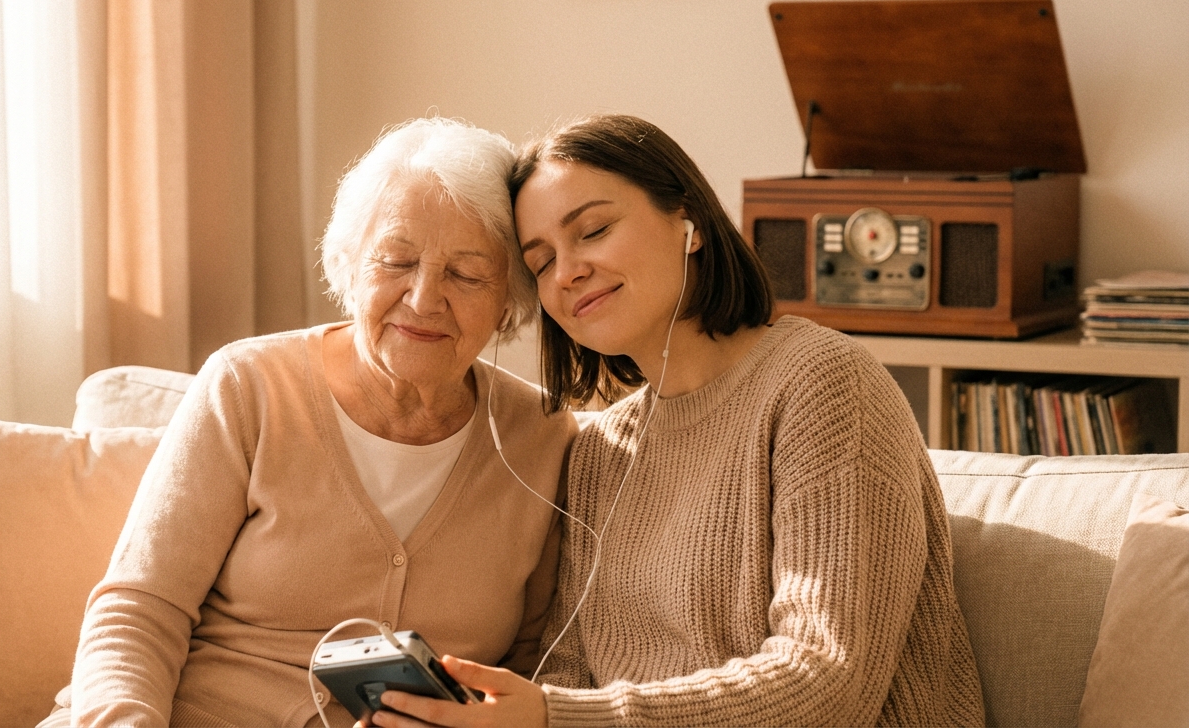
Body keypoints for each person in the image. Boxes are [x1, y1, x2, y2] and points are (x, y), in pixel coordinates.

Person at [368, 114, 984, 727]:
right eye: (541, 262)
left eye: (594, 230)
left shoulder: (821, 383)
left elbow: (826, 682)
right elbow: (570, 671)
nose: (568, 272)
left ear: (687, 221)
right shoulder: (599, 454)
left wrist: (556, 718)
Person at [43, 118, 577, 728]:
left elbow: (538, 664)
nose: (425, 298)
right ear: (349, 266)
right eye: (396, 259)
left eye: (466, 274)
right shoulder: (249, 385)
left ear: (511, 297)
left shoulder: (542, 435)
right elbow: (140, 607)